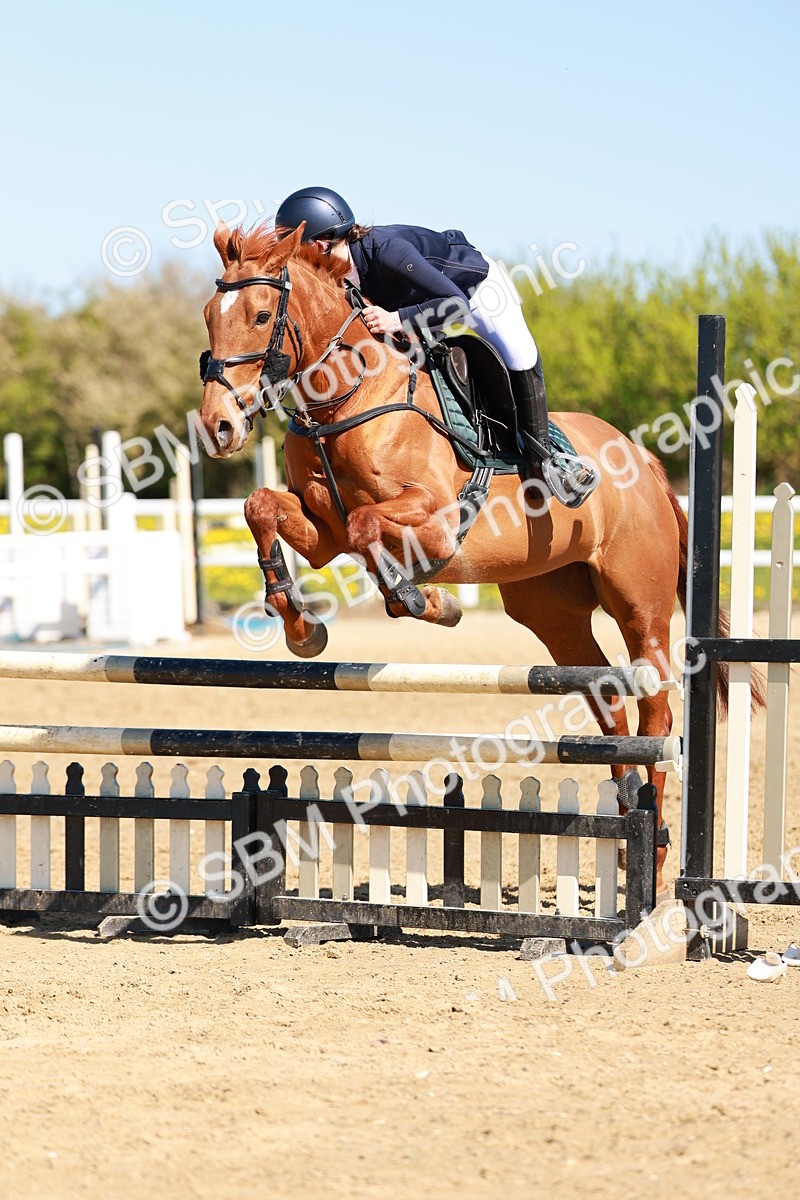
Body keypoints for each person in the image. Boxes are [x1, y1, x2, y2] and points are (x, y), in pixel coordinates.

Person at [274, 186, 597, 507]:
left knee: (518, 355)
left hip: (476, 294)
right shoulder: (337, 275)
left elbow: (456, 304)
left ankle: (548, 458)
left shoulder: (388, 251)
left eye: (295, 252)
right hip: (422, 308)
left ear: (319, 244)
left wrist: (398, 319)